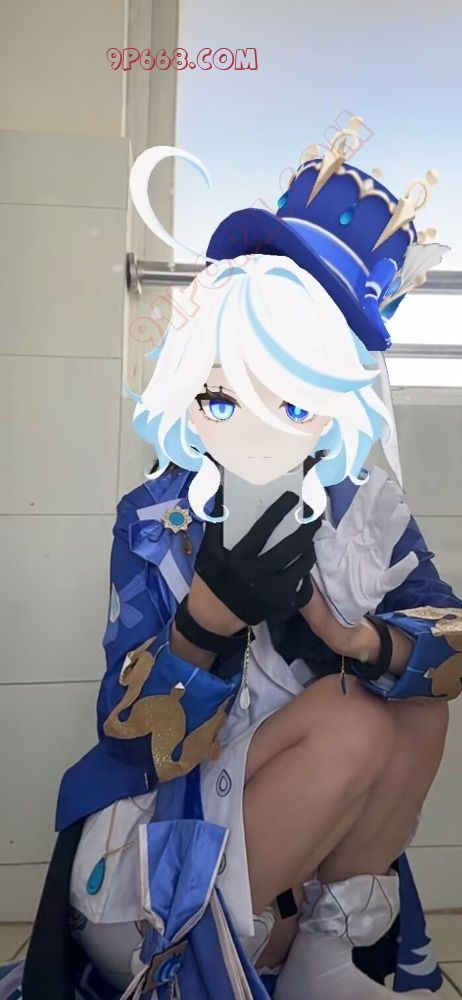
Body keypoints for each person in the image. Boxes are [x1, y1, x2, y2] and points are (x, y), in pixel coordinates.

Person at [3, 122, 462, 1000]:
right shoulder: (158, 514)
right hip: (156, 854)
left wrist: (361, 642)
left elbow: (453, 648)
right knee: (358, 723)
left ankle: (323, 954)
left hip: (299, 861)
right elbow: (126, 733)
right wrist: (206, 620)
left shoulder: (367, 509)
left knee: (411, 711)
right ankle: (202, 961)